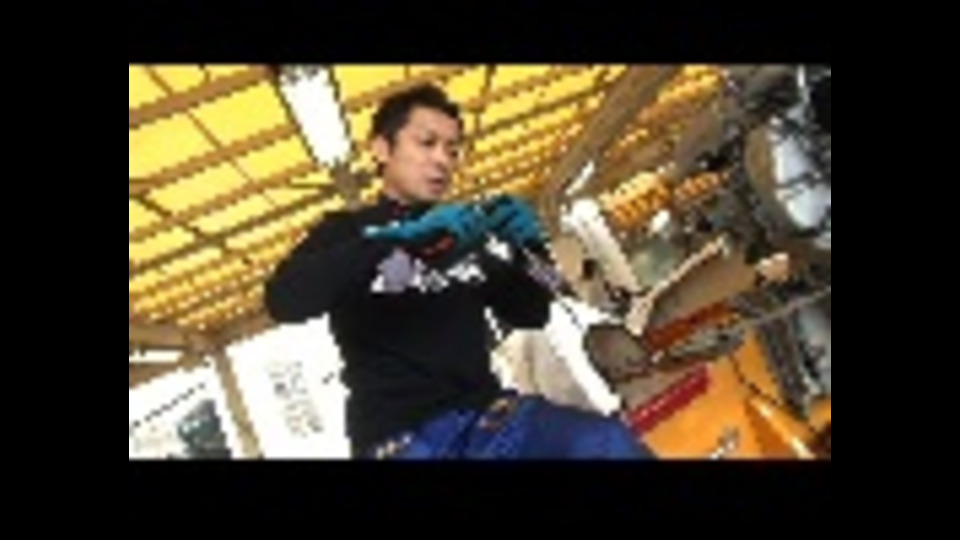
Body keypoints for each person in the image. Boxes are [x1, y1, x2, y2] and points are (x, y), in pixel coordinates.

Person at [264, 83, 654, 459]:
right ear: (382, 149)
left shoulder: (464, 237)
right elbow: (284, 301)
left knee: (605, 443)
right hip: (400, 439)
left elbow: (536, 309)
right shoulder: (346, 231)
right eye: (426, 143)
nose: (443, 160)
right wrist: (395, 240)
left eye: (452, 150)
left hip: (489, 419)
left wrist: (532, 249)